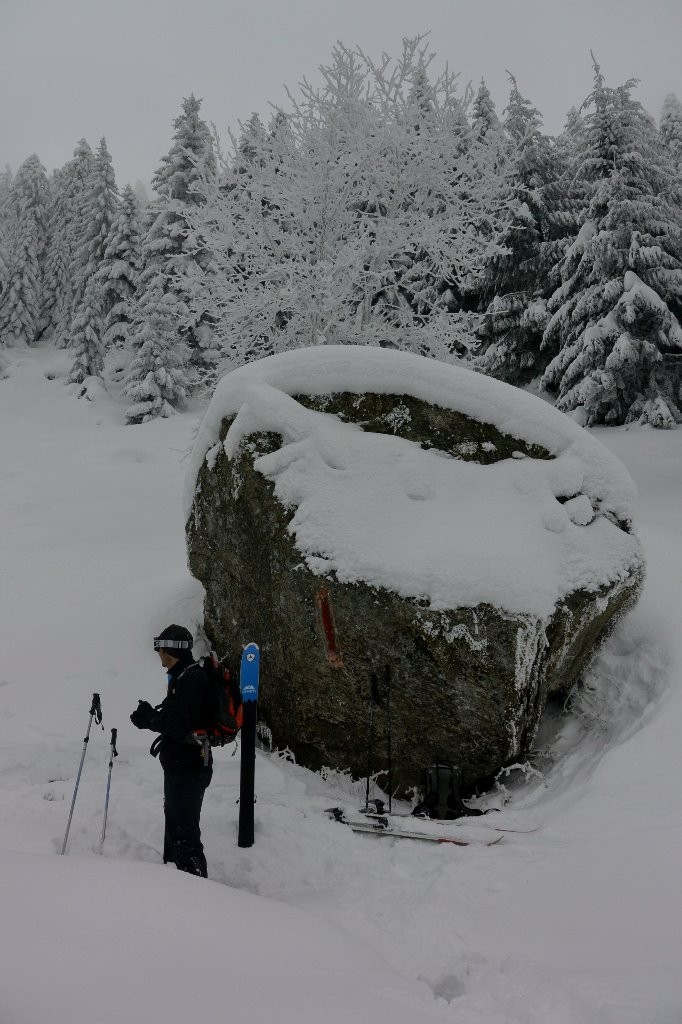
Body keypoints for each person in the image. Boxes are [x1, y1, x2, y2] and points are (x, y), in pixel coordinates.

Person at [130, 624, 216, 878]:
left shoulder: (191, 679)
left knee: (184, 832)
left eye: (160, 648)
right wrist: (153, 716)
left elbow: (179, 725)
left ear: (171, 650)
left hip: (188, 766)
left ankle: (193, 884)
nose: (158, 653)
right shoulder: (183, 675)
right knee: (176, 826)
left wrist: (150, 720)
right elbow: (180, 718)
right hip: (182, 764)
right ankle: (173, 881)